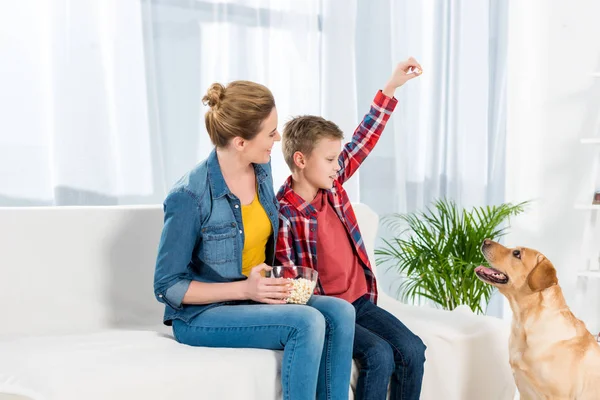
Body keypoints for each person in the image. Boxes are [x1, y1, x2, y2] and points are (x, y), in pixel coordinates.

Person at [153, 80, 355, 400]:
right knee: (307, 322)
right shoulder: (189, 195)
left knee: (341, 313)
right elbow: (167, 286)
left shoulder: (260, 170)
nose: (278, 138)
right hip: (202, 316)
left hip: (251, 299)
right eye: (270, 132)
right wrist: (245, 289)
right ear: (240, 142)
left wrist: (271, 282)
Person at [276, 59, 426, 400]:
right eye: (329, 159)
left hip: (362, 302)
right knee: (378, 355)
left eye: (337, 159)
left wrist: (391, 88)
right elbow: (290, 282)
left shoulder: (334, 185)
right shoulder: (285, 214)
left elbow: (363, 140)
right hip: (333, 312)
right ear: (301, 160)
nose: (337, 165)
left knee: (413, 350)